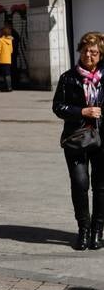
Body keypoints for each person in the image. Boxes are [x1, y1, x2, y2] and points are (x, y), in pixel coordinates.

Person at [53, 31, 104, 251]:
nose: (88, 56)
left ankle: (97, 231)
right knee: (80, 184)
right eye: (85, 51)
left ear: (100, 55)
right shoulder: (68, 78)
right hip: (76, 139)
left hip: (102, 139)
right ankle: (83, 230)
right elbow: (58, 107)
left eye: (94, 52)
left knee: (101, 187)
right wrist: (82, 111)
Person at [0, 25, 14, 92]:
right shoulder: (10, 40)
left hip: (2, 59)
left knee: (4, 74)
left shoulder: (0, 40)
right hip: (8, 59)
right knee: (7, 73)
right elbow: (11, 50)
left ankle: (7, 87)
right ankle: (9, 87)